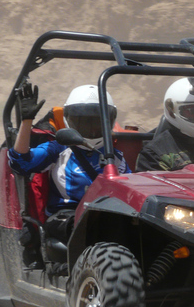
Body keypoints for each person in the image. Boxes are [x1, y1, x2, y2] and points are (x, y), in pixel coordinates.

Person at [8, 80, 131, 245]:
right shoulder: (58, 148)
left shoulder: (115, 156)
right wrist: (26, 122)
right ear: (68, 119)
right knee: (86, 227)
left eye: (96, 121)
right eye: (83, 121)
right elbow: (21, 163)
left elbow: (130, 191)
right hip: (65, 216)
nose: (91, 128)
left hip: (105, 215)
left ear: (109, 120)